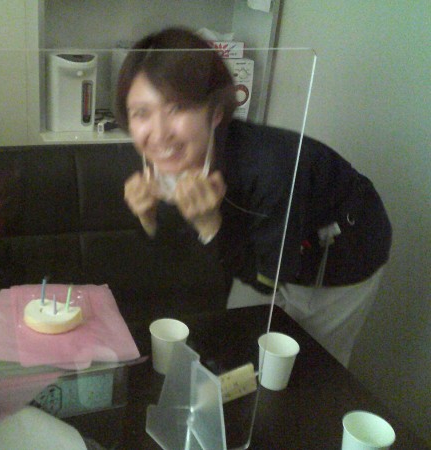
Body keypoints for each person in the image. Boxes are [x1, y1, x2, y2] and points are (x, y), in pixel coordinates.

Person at [116, 27, 392, 367]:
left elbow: (267, 278)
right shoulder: (167, 158)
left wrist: (210, 226)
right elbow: (177, 255)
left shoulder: (271, 169)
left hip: (344, 245)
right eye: (141, 112)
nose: (158, 133)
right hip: (263, 250)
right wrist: (147, 218)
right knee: (241, 346)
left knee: (311, 364)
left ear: (216, 111)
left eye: (177, 107)